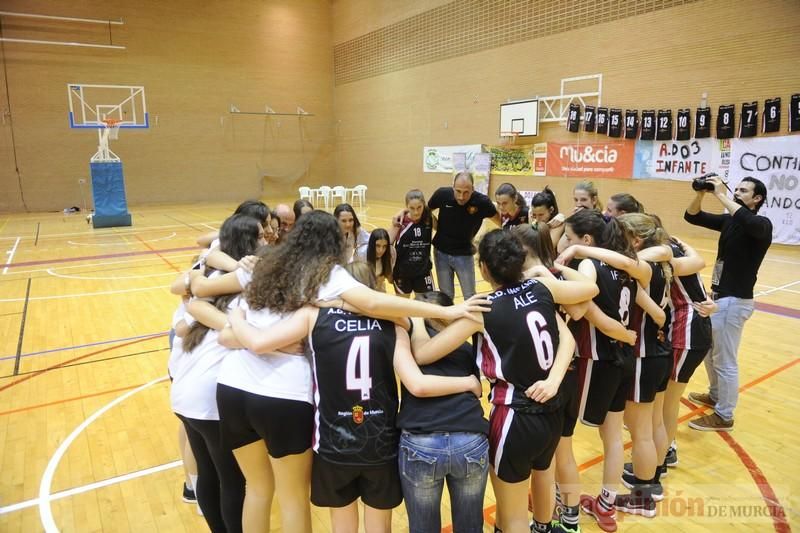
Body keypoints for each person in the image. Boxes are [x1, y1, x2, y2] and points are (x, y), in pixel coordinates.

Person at [213, 211, 491, 533]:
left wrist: (235, 317)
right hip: (322, 414)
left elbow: (218, 315)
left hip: (235, 387)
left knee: (257, 489)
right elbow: (377, 309)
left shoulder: (271, 272)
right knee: (292, 497)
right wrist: (445, 312)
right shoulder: (338, 288)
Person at [410, 230, 599, 533]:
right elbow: (589, 289)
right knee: (543, 476)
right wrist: (548, 271)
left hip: (516, 417)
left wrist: (417, 319)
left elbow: (423, 354)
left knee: (511, 518)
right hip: (552, 409)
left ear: (483, 267)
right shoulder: (541, 287)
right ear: (522, 262)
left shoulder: (483, 307)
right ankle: (543, 526)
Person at [557, 209, 665, 532]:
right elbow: (654, 311)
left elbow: (582, 306)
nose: (565, 241)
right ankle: (606, 505)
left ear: (587, 241)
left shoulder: (588, 266)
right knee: (614, 435)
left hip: (595, 359)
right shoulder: (627, 268)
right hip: (624, 359)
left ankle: (561, 500)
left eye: (570, 238)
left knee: (562, 438)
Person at [684, 175, 772, 431]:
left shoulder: (761, 225)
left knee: (725, 360)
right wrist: (701, 192)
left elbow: (751, 223)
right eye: (738, 188)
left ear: (757, 199)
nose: (737, 192)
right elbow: (692, 216)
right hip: (719, 298)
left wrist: (720, 194)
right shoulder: (730, 221)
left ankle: (724, 415)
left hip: (736, 302)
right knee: (710, 353)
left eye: (744, 191)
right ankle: (715, 395)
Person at [400, 290, 490, 533]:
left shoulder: (405, 340)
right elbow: (479, 390)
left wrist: (416, 323)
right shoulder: (465, 346)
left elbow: (421, 361)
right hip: (469, 437)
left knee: (422, 528)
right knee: (471, 527)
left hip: (422, 440)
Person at [428, 171, 500, 300]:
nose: (461, 196)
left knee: (470, 295)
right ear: (453, 187)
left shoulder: (482, 202)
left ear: (473, 189)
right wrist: (437, 226)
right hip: (441, 253)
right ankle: (449, 320)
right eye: (458, 191)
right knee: (446, 296)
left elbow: (500, 220)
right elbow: (426, 211)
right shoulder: (442, 195)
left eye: (466, 192)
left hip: (464, 255)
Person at [389, 189, 435, 298]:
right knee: (402, 309)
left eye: (419, 207)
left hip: (423, 271)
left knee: (426, 307)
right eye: (412, 208)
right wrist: (388, 271)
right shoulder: (400, 221)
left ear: (424, 205)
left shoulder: (429, 218)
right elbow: (388, 243)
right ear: (407, 207)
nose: (416, 212)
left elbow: (441, 228)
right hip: (402, 272)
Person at [366, 228, 395, 293]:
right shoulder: (362, 254)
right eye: (377, 246)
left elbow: (390, 279)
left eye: (384, 246)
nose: (381, 250)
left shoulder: (391, 253)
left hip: (380, 290)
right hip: (364, 290)